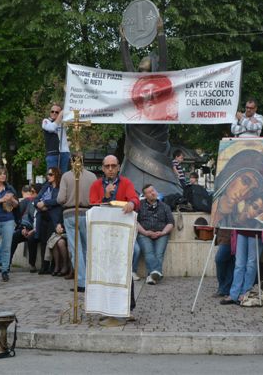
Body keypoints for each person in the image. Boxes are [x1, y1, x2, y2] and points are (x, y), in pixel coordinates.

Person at [120, 19, 183, 197]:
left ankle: (163, 189)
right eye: (140, 70)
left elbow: (163, 61)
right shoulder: (136, 91)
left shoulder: (161, 88)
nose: (141, 74)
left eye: (145, 70)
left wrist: (161, 34)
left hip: (157, 136)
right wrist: (123, 42)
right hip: (137, 136)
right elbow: (127, 66)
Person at [89, 155, 140, 313]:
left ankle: (127, 307)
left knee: (123, 267)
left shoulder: (126, 183)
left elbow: (135, 199)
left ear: (118, 167)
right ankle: (104, 306)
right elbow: (91, 204)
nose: (110, 169)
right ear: (103, 168)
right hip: (103, 235)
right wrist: (105, 195)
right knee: (103, 269)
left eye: (113, 166)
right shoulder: (96, 185)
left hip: (120, 234)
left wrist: (132, 203)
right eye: (107, 166)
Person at [57, 161, 95, 292]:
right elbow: (95, 197)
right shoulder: (92, 176)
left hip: (70, 213)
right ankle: (90, 279)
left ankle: (81, 281)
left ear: (71, 162)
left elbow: (60, 198)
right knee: (86, 247)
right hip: (87, 212)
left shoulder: (66, 176)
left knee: (75, 248)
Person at [210, 149, 263, 228]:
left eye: (252, 191)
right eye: (245, 181)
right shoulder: (211, 204)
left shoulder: (238, 220)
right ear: (232, 173)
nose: (244, 193)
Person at [136, 184, 174, 285]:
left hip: (161, 233)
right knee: (149, 252)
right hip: (144, 233)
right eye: (149, 192)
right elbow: (135, 221)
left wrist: (163, 232)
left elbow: (170, 223)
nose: (153, 193)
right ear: (145, 195)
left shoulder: (165, 206)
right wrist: (145, 232)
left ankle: (151, 276)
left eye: (153, 190)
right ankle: (156, 273)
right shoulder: (139, 205)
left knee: (159, 254)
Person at [33, 167, 62, 275]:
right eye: (48, 174)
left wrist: (45, 203)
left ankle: (53, 266)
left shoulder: (60, 188)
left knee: (52, 241)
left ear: (56, 175)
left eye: (51, 174)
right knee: (43, 241)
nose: (48, 176)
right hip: (42, 216)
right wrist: (39, 205)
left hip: (53, 217)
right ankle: (44, 266)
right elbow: (36, 199)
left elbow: (59, 200)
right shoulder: (46, 186)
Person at [10, 184, 41, 272]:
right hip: (28, 228)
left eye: (33, 192)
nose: (31, 194)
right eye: (30, 192)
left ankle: (32, 265)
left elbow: (41, 221)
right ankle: (7, 264)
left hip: (38, 230)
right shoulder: (30, 202)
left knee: (31, 238)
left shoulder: (42, 202)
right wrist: (23, 228)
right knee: (14, 237)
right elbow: (25, 217)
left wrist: (32, 231)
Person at [42, 103, 70, 173]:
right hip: (52, 153)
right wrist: (60, 115)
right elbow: (51, 128)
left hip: (64, 152)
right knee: (52, 176)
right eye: (52, 111)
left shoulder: (63, 122)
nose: (54, 113)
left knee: (63, 176)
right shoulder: (46, 121)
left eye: (57, 112)